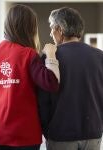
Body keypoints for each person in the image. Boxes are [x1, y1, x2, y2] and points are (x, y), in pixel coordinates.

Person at [0, 4, 60, 150]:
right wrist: (50, 54)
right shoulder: (29, 55)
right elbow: (51, 83)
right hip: (24, 135)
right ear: (29, 28)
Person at [38, 7, 103, 150]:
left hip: (61, 134)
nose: (50, 33)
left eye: (51, 28)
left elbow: (42, 101)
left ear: (59, 30)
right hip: (93, 132)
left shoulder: (49, 58)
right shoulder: (100, 56)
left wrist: (47, 131)